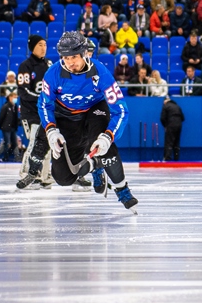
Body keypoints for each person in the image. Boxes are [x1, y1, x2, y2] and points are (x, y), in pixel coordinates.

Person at [39, 32, 138, 213]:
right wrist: (51, 131)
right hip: (68, 118)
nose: (70, 63)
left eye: (74, 57)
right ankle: (94, 165)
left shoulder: (101, 73)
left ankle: (122, 189)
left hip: (95, 111)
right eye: (66, 58)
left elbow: (121, 110)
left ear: (84, 53)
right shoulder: (53, 73)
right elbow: (44, 105)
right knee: (63, 178)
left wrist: (109, 136)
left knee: (102, 143)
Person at [0, 93, 20, 163]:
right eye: (14, 97)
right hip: (6, 128)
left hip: (13, 128)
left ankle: (6, 156)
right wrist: (2, 127)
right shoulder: (5, 107)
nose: (16, 99)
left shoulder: (15, 106)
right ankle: (5, 158)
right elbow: (0, 118)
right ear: (10, 98)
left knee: (14, 144)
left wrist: (17, 124)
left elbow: (15, 118)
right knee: (7, 143)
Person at [160, 97, 185, 161]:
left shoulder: (166, 106)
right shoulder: (177, 106)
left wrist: (165, 126)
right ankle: (176, 158)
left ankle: (167, 158)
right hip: (179, 125)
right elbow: (183, 118)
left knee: (169, 142)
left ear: (165, 102)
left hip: (170, 125)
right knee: (177, 143)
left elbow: (162, 118)